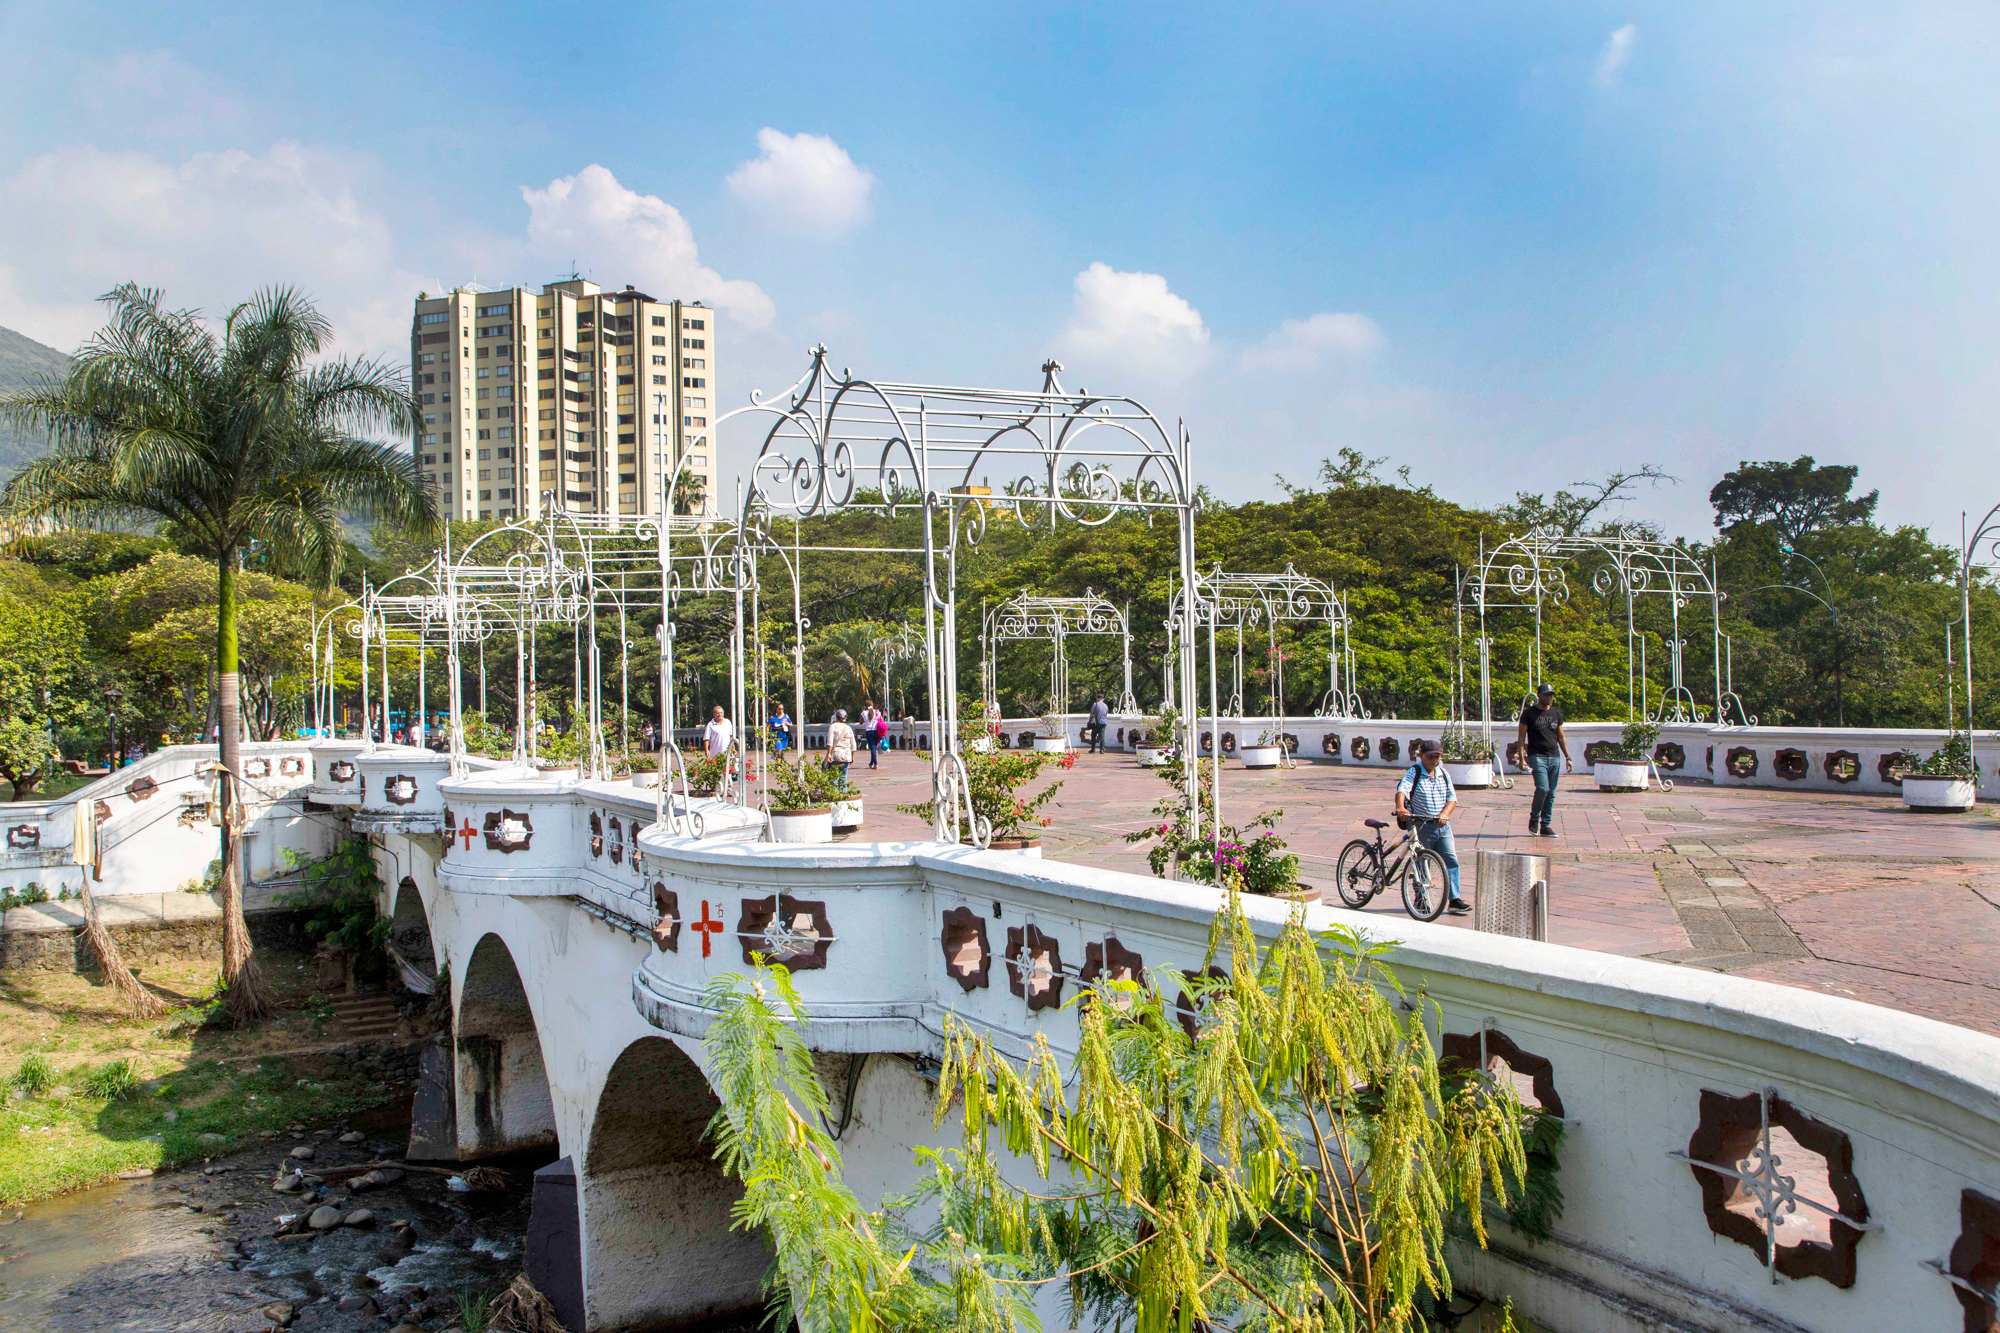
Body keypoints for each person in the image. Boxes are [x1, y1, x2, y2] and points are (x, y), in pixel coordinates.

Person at [1395, 739, 1468, 915]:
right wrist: (1400, 807)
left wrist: (1445, 814)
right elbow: (1402, 790)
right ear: (1421, 756)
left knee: (1451, 860)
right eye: (1431, 757)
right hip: (1422, 825)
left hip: (1442, 826)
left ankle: (1455, 899)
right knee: (1421, 862)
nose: (1435, 761)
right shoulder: (1415, 772)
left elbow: (1452, 798)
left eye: (1437, 757)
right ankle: (1420, 898)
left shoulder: (1443, 774)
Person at [1516, 683, 1573, 837]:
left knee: (1551, 793)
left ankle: (1545, 825)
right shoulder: (1529, 714)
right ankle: (1534, 816)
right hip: (1537, 757)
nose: (1549, 697)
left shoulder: (1556, 714)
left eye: (1551, 695)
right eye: (1546, 694)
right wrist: (1522, 759)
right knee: (1543, 788)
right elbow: (1521, 737)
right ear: (1539, 696)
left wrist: (1568, 757)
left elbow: (1561, 737)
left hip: (1554, 757)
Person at [827, 708, 857, 781]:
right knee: (843, 777)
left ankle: (834, 792)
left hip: (836, 754)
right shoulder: (848, 728)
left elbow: (830, 742)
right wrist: (852, 756)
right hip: (846, 754)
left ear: (836, 717)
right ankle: (843, 792)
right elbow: (853, 744)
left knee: (834, 777)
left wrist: (829, 754)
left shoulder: (833, 726)